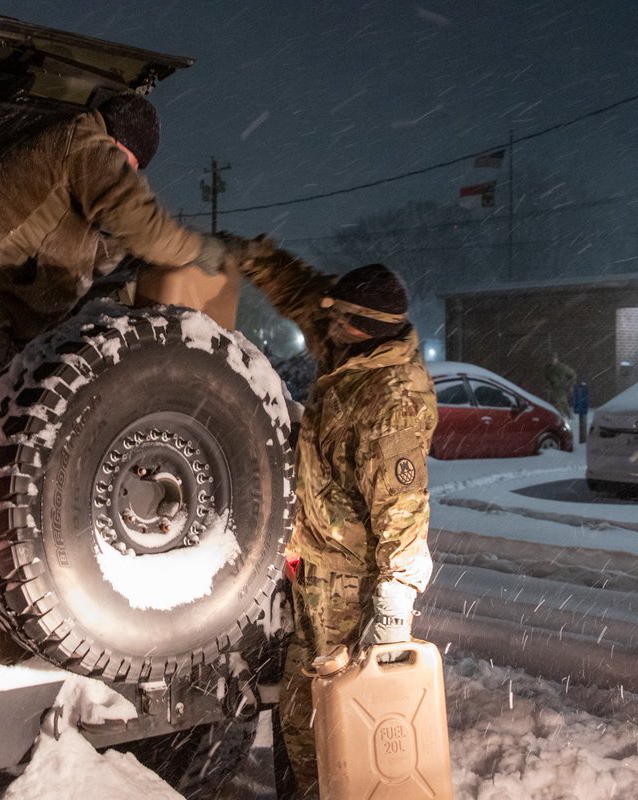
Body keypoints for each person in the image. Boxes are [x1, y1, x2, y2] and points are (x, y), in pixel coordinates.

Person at [0, 93, 229, 471]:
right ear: (121, 143)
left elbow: (73, 252)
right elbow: (139, 222)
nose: (129, 175)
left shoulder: (61, 153)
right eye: (130, 166)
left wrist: (131, 254)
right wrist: (195, 249)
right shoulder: (85, 143)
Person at [235, 240, 437, 798]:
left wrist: (395, 602)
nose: (326, 328)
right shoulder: (351, 348)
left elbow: (405, 510)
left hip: (351, 587)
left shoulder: (390, 400)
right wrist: (254, 258)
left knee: (331, 717)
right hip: (317, 567)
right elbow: (307, 296)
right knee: (302, 710)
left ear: (365, 327)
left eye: (339, 321)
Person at [544, 352, 577, 418]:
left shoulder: (562, 368)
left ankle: (564, 418)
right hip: (551, 390)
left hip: (561, 389)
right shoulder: (547, 369)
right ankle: (565, 417)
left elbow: (573, 375)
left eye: (554, 358)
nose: (552, 360)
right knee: (558, 405)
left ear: (557, 359)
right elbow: (545, 378)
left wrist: (570, 385)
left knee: (560, 404)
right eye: (550, 358)